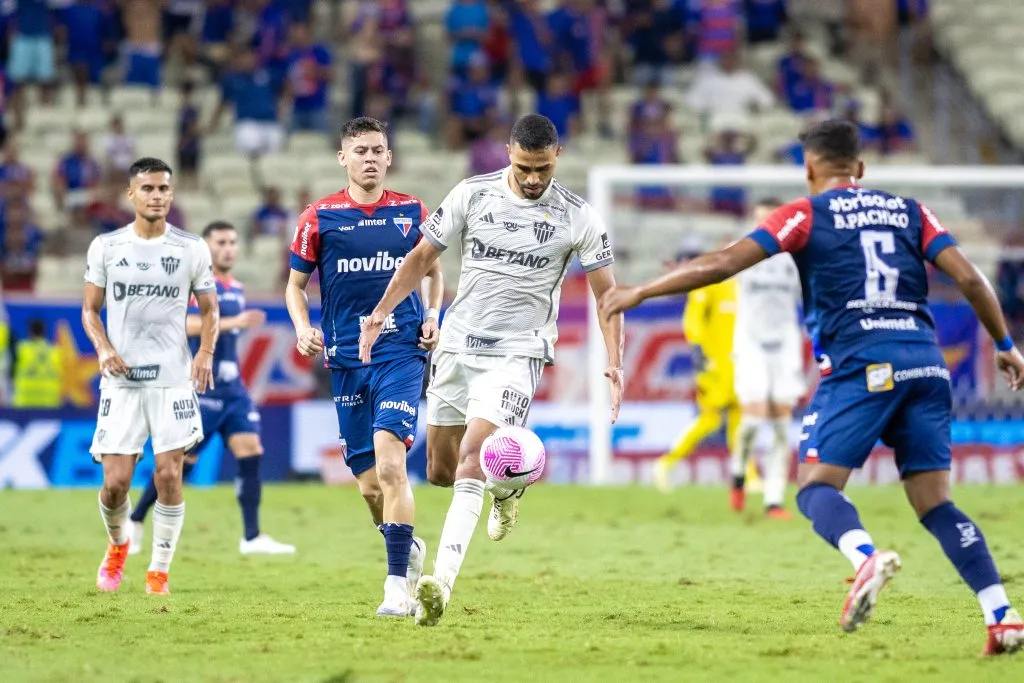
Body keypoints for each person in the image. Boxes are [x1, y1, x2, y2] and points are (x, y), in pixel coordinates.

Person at [599, 120, 1024, 654]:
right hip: (926, 363)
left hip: (863, 364)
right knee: (936, 504)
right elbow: (970, 279)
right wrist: (1005, 343)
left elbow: (726, 262)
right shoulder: (912, 212)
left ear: (809, 169)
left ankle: (864, 557)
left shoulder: (804, 213)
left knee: (818, 487)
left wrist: (640, 292)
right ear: (862, 169)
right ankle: (1001, 616)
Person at [358, 114, 624, 627]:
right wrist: (380, 312)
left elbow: (606, 294)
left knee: (471, 460)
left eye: (542, 168)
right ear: (508, 153)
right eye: (524, 167)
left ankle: (439, 585)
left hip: (517, 353)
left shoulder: (578, 216)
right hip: (457, 346)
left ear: (557, 157)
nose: (532, 179)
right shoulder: (471, 195)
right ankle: (510, 486)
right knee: (438, 469)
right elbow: (419, 259)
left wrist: (615, 361)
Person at [285, 117, 444, 617]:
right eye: (360, 151)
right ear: (343, 158)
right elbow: (294, 286)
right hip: (347, 359)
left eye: (378, 150)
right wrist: (302, 327)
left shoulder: (411, 211)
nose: (370, 158)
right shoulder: (319, 217)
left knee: (393, 464)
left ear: (389, 157)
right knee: (370, 485)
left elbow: (434, 273)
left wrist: (434, 315)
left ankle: (396, 588)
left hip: (401, 352)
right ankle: (407, 548)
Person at [83, 157, 219, 597]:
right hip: (122, 382)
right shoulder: (106, 247)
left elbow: (210, 309)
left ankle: (159, 571)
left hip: (171, 381)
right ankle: (119, 545)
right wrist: (104, 348)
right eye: (148, 189)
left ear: (171, 194)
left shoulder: (191, 248)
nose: (156, 196)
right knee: (115, 485)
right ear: (131, 194)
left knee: (169, 477)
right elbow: (89, 310)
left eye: (163, 188)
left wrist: (206, 353)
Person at [128, 221, 295, 556]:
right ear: (205, 247)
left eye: (233, 242)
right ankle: (134, 520)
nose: (229, 248)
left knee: (251, 450)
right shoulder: (193, 284)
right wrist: (235, 322)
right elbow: (184, 325)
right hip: (202, 388)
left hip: (233, 390)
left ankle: (251, 537)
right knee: (179, 463)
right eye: (221, 242)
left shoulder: (235, 286)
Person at [651, 248, 761, 495]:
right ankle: (666, 463)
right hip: (714, 366)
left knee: (739, 419)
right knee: (710, 419)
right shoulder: (709, 282)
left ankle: (748, 475)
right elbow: (693, 319)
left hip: (737, 364)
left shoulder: (738, 286)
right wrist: (699, 352)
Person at [729, 198, 804, 518]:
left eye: (770, 220)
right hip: (750, 344)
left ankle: (774, 499)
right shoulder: (740, 252)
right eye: (759, 220)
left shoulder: (795, 259)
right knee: (752, 420)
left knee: (780, 425)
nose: (765, 226)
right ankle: (738, 474)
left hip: (785, 343)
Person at [11, 318, 61, 408]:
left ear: (30, 332)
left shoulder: (21, 349)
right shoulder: (55, 352)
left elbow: (10, 372)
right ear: (44, 332)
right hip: (49, 403)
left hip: (25, 402)